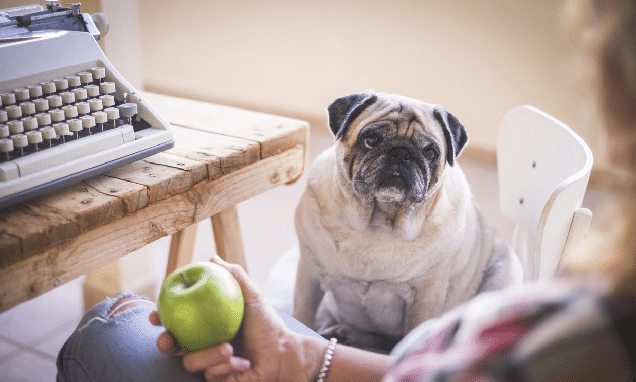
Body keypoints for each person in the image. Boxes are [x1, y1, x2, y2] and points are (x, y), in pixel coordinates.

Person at [57, 0, 636, 380]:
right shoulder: (588, 319)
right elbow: (318, 276)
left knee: (109, 324)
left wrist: (309, 355)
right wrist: (298, 348)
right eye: (375, 142)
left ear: (450, 162)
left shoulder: (571, 338)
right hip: (360, 352)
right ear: (341, 135)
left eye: (423, 154)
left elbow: (421, 343)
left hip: (417, 332)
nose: (396, 161)